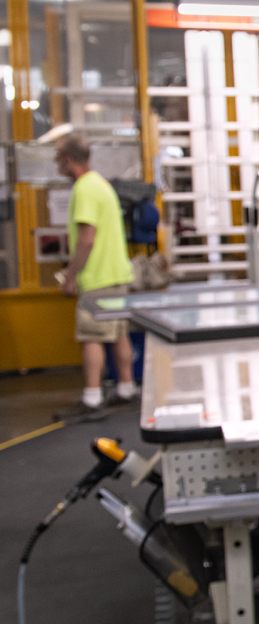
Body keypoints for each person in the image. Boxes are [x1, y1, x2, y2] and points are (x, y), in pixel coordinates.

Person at [53, 136, 138, 422]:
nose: (56, 164)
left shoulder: (85, 189)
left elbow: (86, 239)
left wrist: (71, 275)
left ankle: (92, 399)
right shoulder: (101, 185)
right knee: (118, 333)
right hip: (118, 274)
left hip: (98, 278)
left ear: (68, 160)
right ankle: (126, 391)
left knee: (92, 337)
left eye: (57, 158)